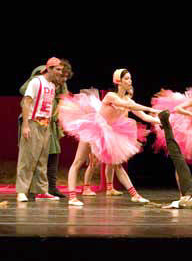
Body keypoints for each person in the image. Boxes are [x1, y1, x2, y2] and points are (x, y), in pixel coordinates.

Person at [58, 69, 160, 206]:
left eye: (130, 78)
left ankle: (135, 195)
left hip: (108, 132)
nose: (130, 81)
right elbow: (128, 105)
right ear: (119, 81)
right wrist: (152, 109)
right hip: (93, 128)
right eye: (127, 79)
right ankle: (72, 197)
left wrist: (162, 120)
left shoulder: (127, 99)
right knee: (78, 162)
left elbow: (143, 116)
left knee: (117, 165)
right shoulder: (111, 96)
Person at [19, 59, 73, 198]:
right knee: (28, 158)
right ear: (49, 69)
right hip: (33, 121)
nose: (60, 74)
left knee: (42, 159)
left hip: (46, 124)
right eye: (58, 70)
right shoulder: (37, 81)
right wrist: (25, 125)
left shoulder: (52, 85)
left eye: (62, 71)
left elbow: (58, 101)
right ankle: (22, 191)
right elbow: (26, 101)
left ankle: (41, 191)